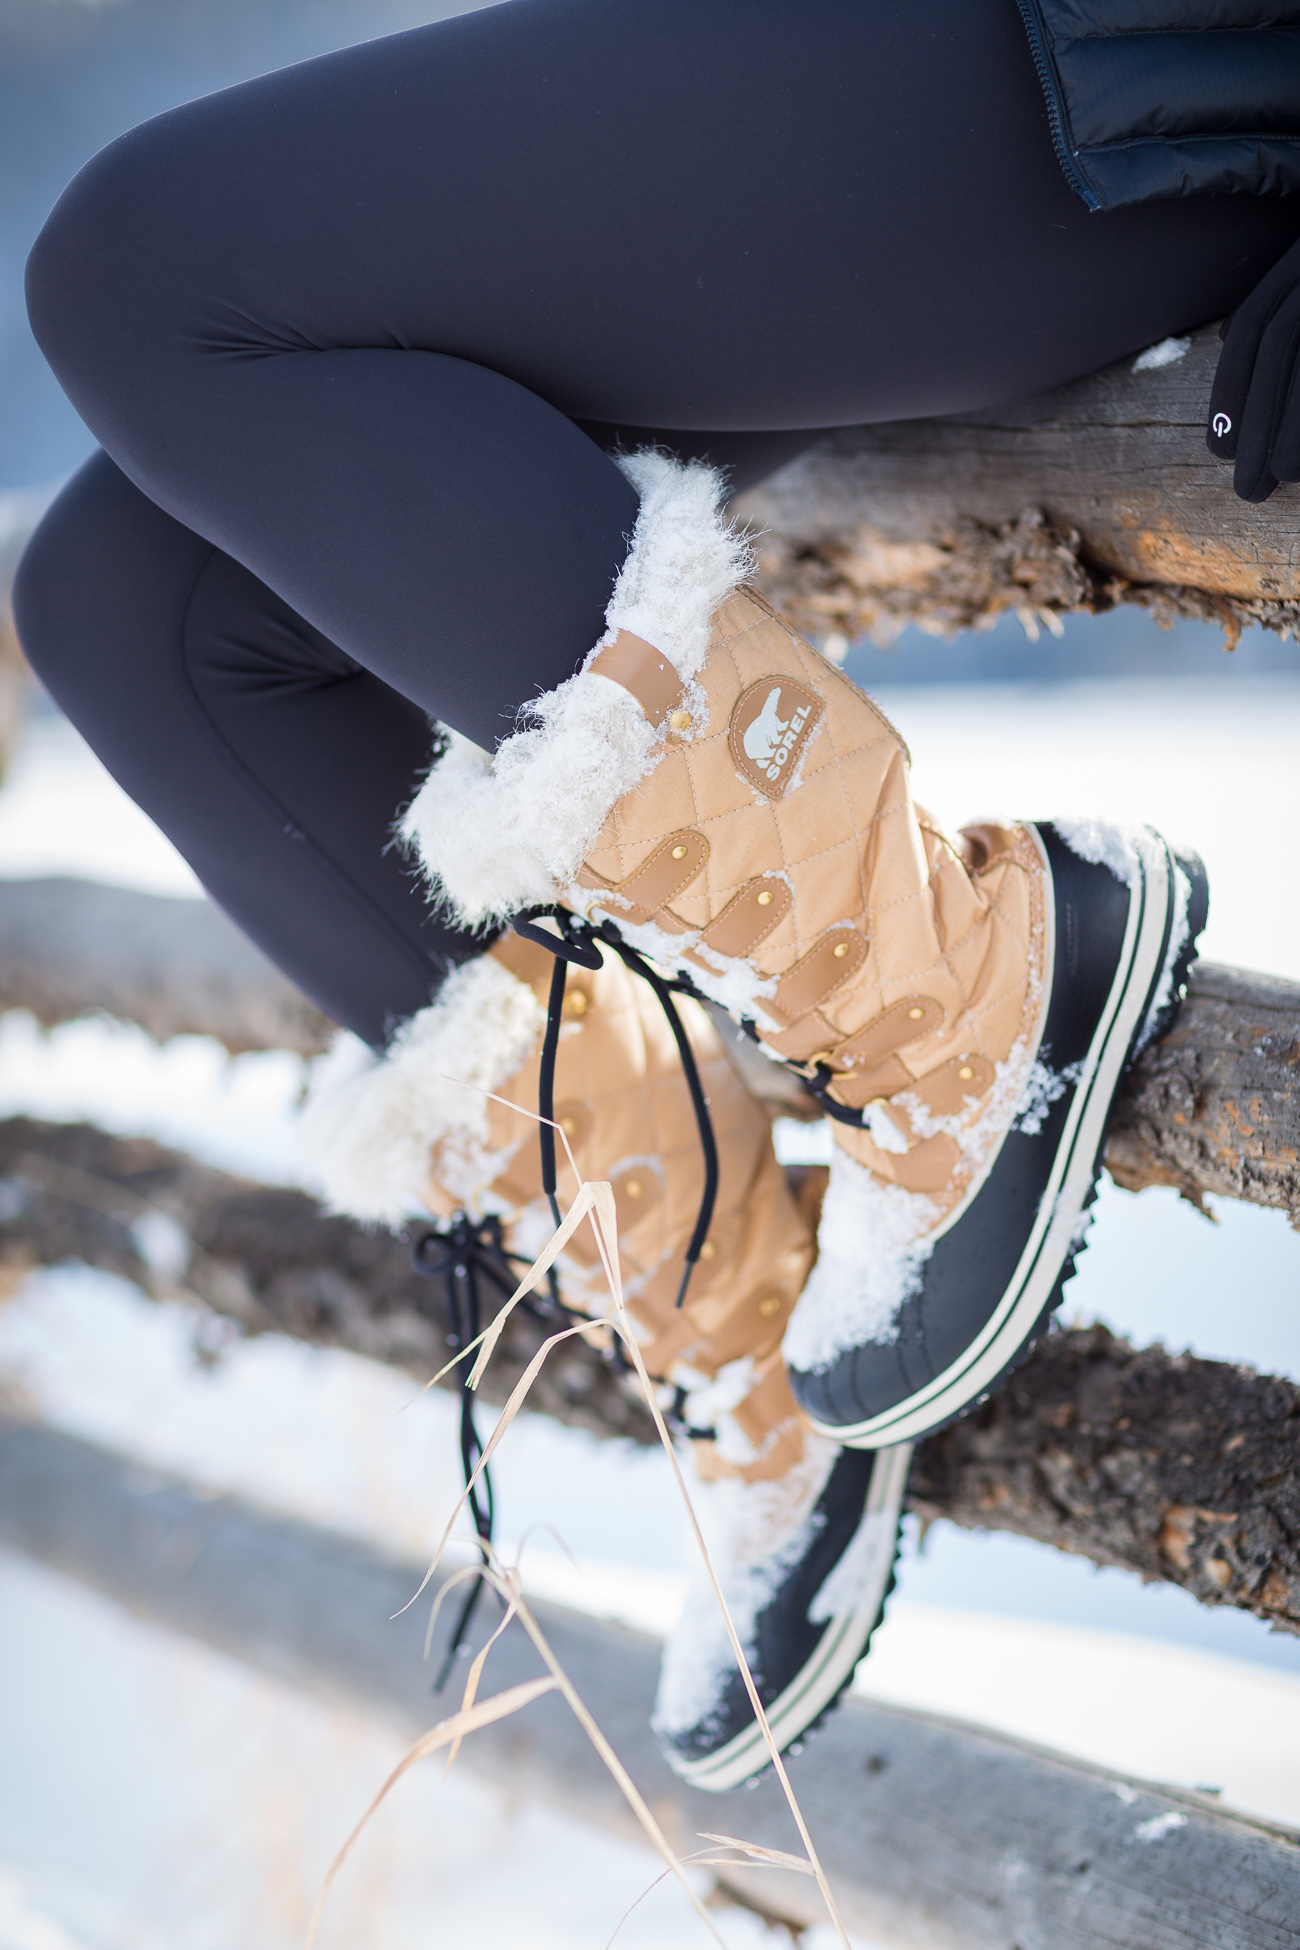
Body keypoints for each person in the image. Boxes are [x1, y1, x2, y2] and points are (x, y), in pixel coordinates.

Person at [14, 0, 1299, 1783]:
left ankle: (948, 977)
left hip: (1126, 76)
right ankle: (725, 1287)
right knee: (130, 615)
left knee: (141, 264)